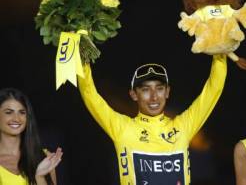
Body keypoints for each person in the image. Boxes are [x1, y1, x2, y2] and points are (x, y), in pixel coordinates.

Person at [78, 54, 227, 185]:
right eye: (145, 89)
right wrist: (82, 54)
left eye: (159, 88)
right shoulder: (122, 128)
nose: (154, 96)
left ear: (167, 92)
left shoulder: (182, 127)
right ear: (133, 94)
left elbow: (213, 89)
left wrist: (219, 52)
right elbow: (89, 94)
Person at [0, 88, 63, 185]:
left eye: (22, 112)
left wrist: (40, 177)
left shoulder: (44, 157)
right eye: (9, 112)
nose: (16, 118)